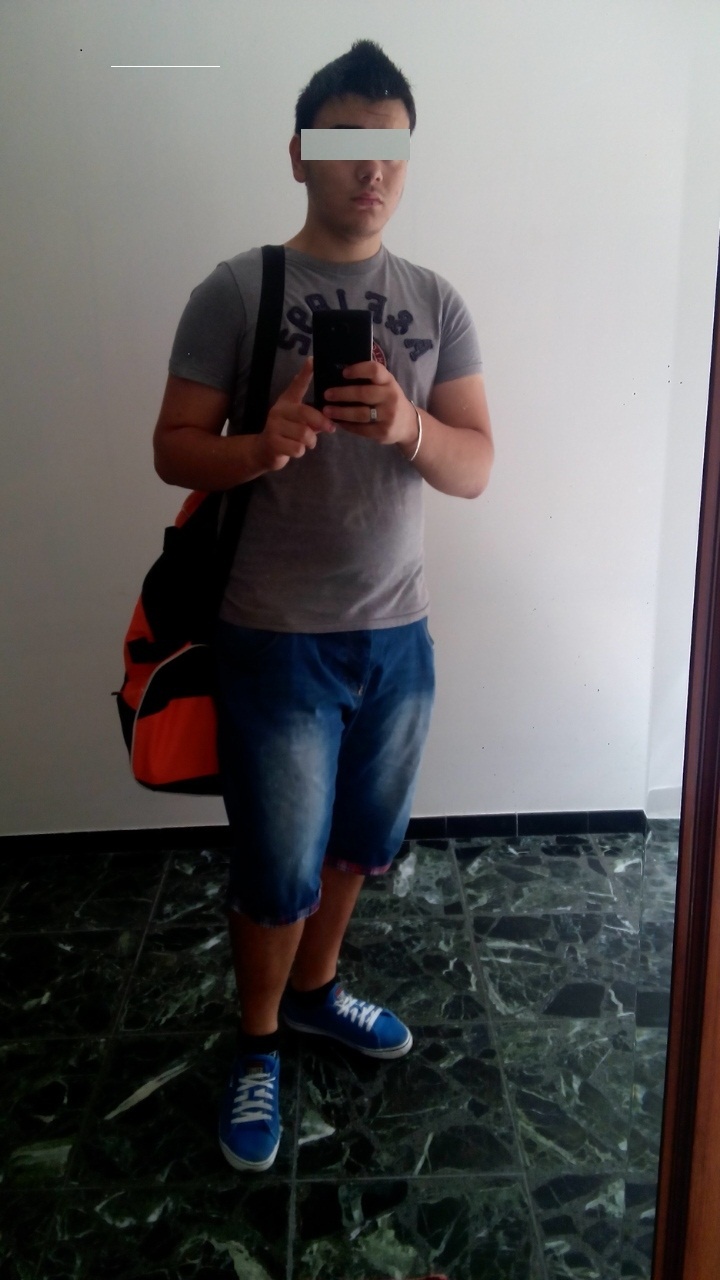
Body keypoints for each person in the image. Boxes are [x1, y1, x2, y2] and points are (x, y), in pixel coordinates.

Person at [152, 39, 494, 1173]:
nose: (371, 170)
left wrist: (407, 425)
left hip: (398, 635)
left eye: (390, 147)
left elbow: (476, 463)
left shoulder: (437, 301)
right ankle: (257, 1041)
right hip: (275, 637)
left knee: (358, 844)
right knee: (277, 865)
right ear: (301, 155)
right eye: (346, 145)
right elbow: (173, 447)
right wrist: (259, 446)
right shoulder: (238, 290)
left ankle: (316, 990)